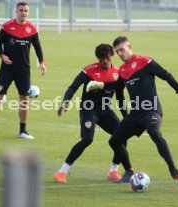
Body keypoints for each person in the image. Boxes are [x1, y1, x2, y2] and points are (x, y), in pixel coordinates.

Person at [88, 36, 178, 183]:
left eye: (122, 50)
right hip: (136, 114)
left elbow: (166, 75)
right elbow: (117, 88)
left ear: (129, 47)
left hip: (151, 110)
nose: (119, 54)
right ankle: (129, 172)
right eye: (117, 52)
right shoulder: (123, 70)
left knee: (154, 133)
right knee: (114, 141)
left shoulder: (145, 62)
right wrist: (100, 85)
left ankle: (174, 170)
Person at [53, 44, 127, 184]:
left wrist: (127, 117)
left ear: (111, 56)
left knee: (123, 136)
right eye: (101, 58)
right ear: (97, 58)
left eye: (107, 58)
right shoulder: (89, 71)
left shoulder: (118, 73)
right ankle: (61, 172)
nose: (104, 61)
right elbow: (73, 86)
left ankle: (113, 171)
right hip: (89, 110)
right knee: (87, 139)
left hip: (106, 111)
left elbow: (120, 98)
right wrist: (65, 101)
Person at [0, 1, 47, 139]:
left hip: (23, 71)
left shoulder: (32, 29)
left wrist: (42, 63)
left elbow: (38, 48)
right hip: (7, 70)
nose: (23, 13)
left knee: (24, 100)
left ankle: (22, 131)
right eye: (21, 10)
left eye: (26, 11)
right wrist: (3, 55)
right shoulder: (7, 27)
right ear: (16, 11)